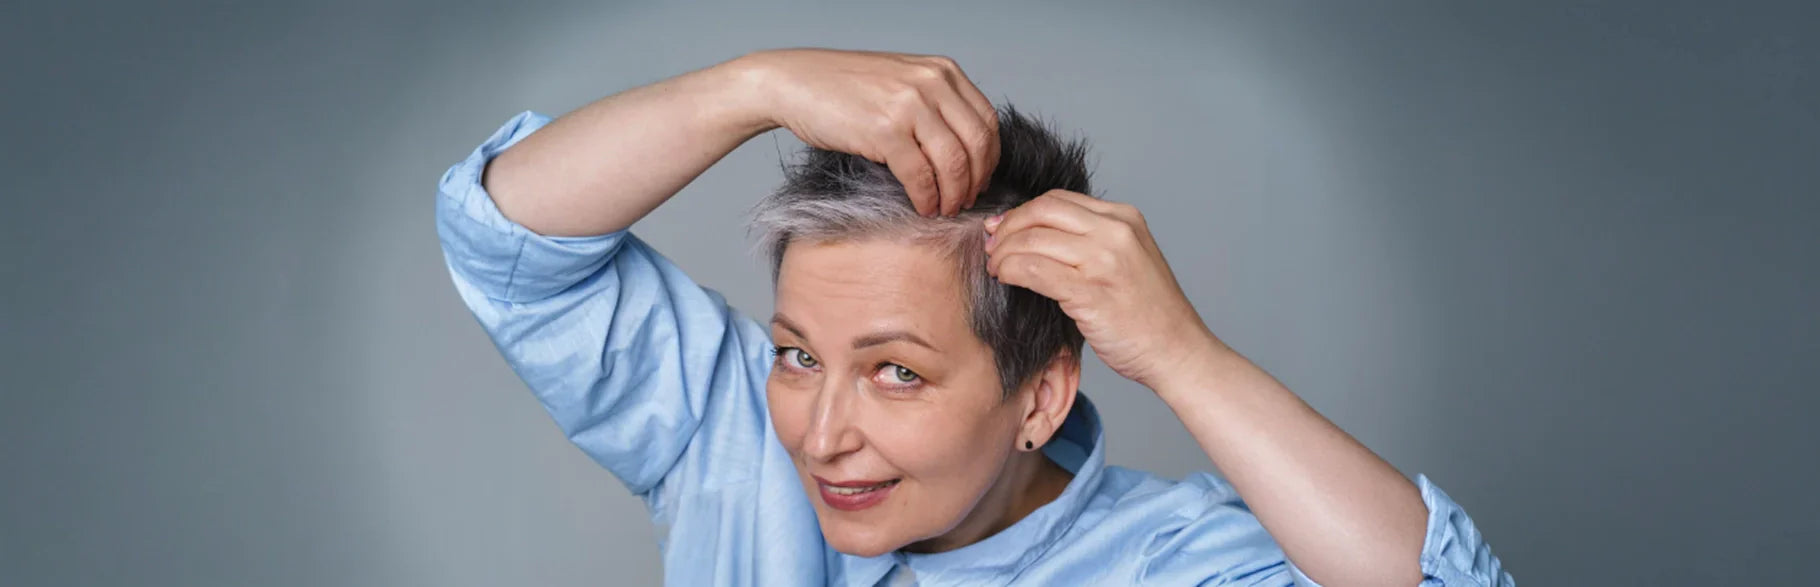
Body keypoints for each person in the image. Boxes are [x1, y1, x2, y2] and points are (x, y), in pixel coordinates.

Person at [435, 48, 1513, 586]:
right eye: (797, 353)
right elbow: (508, 233)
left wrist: (1185, 358)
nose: (819, 432)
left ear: (1038, 394)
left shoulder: (1165, 561)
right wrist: (749, 87)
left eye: (897, 370)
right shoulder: (729, 434)